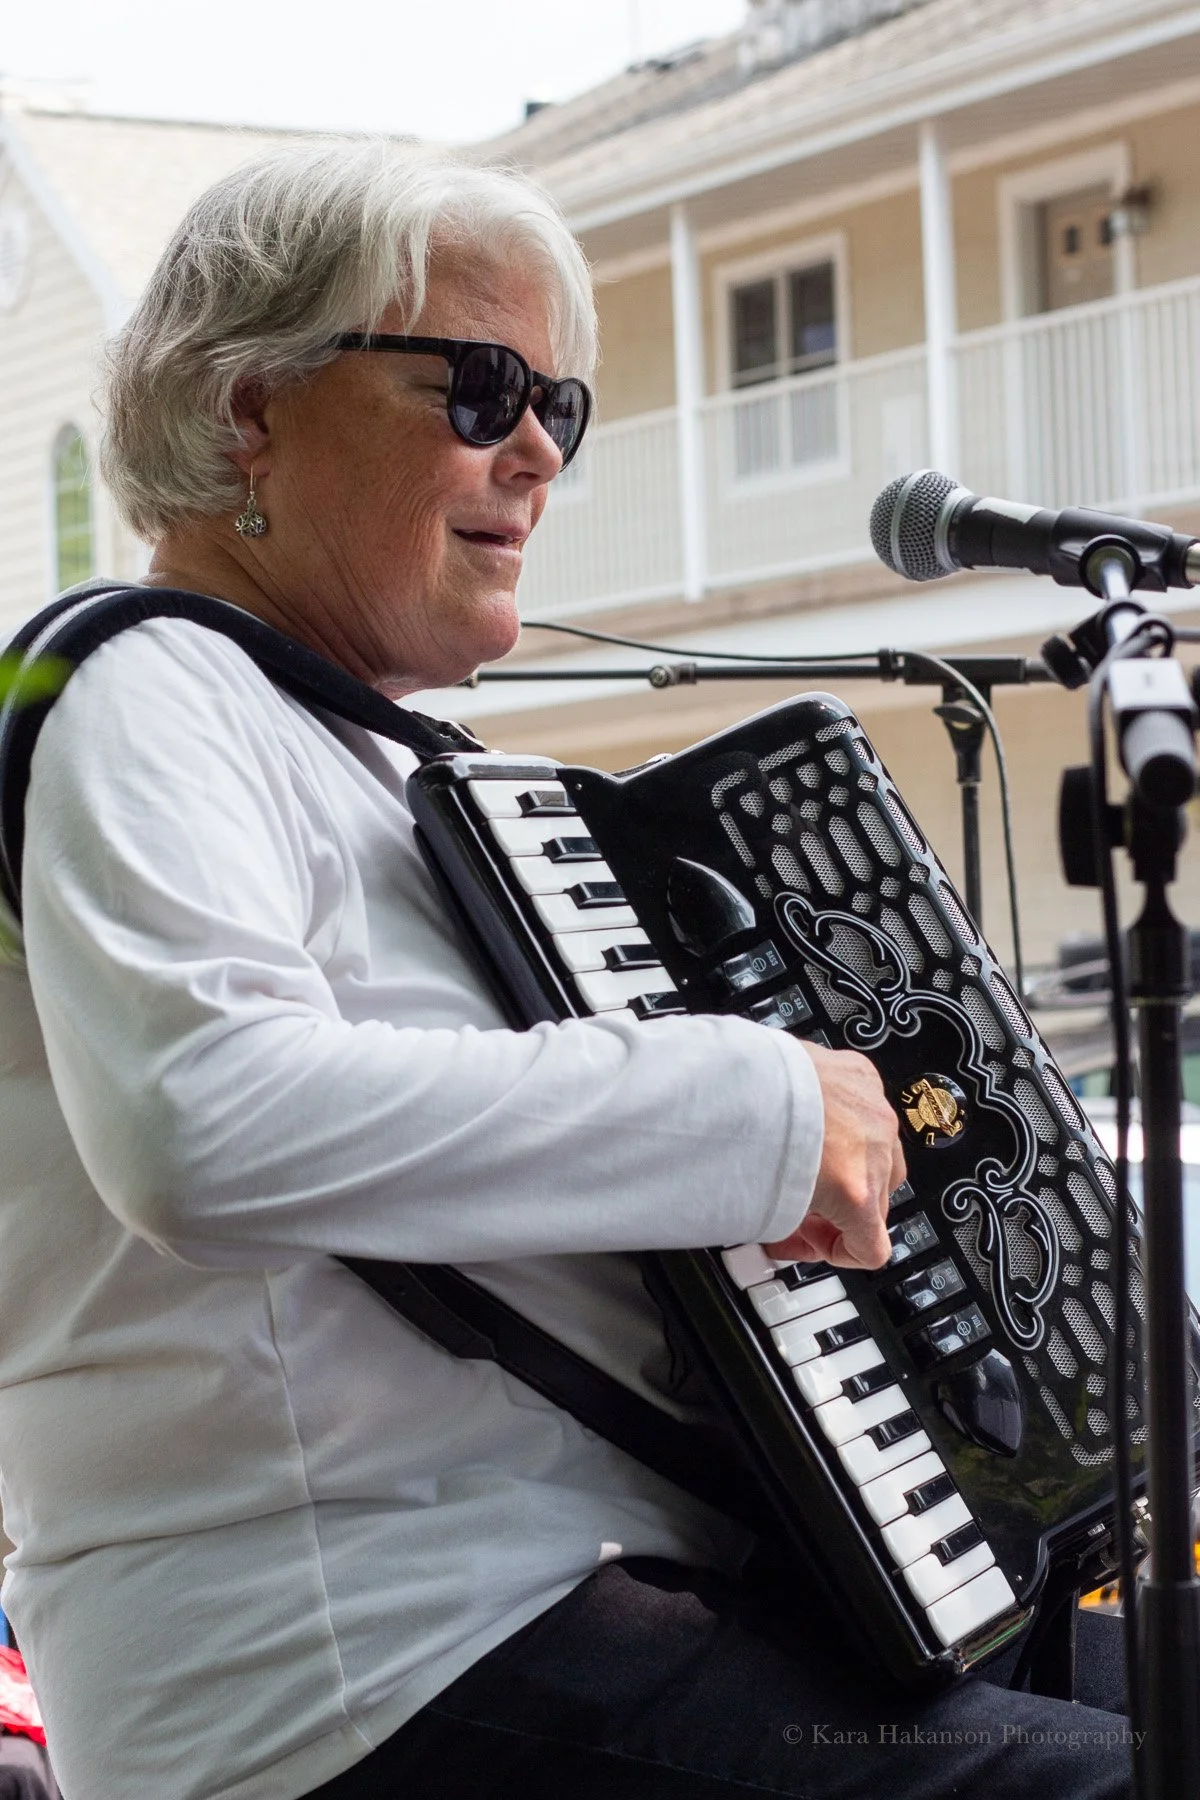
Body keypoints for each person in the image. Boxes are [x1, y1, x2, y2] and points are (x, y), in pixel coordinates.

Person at [0, 141, 1132, 1800]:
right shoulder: (138, 679)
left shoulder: (379, 760)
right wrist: (751, 1100)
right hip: (351, 1663)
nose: (537, 448)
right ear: (249, 410)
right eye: (478, 385)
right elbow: (202, 1121)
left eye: (562, 408)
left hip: (588, 1601)